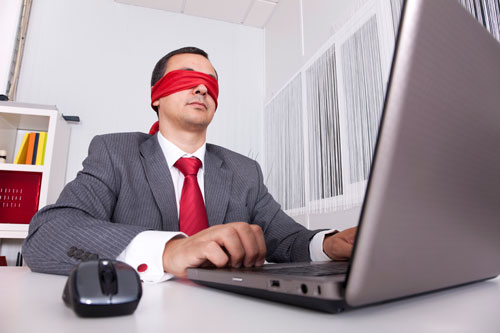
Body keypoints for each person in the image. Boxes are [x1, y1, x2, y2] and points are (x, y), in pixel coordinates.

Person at [22, 46, 357, 282]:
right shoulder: (115, 152)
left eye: (210, 83)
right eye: (187, 78)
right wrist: (170, 251)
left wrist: (329, 244)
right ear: (156, 95)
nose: (201, 87)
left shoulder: (244, 171)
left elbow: (286, 239)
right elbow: (47, 233)